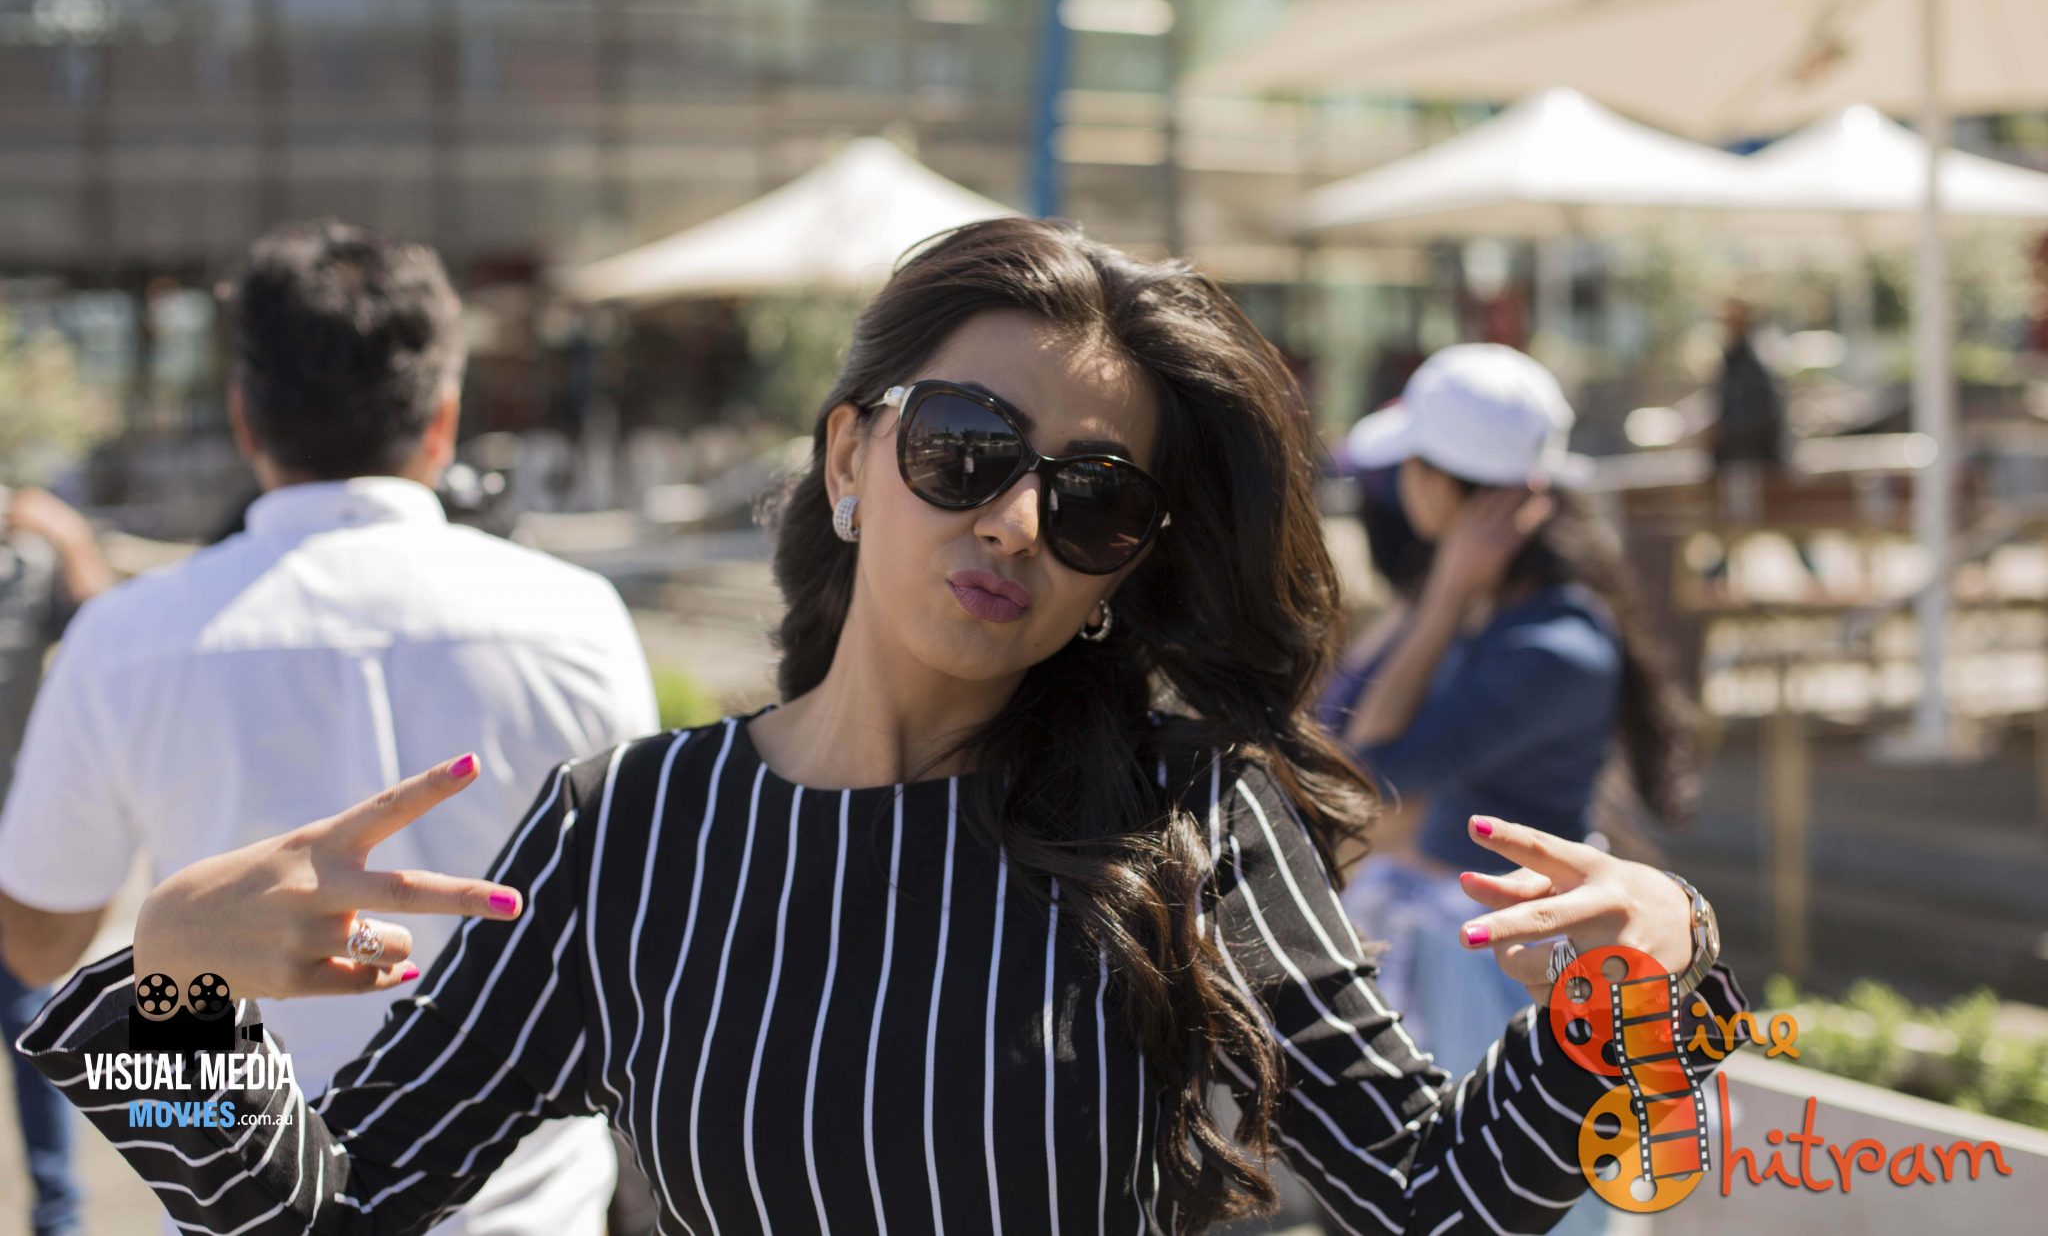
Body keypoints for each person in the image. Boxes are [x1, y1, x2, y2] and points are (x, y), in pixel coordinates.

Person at [18, 219, 1748, 1235]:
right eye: (964, 450)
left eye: (1093, 500)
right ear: (852, 457)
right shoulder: (636, 832)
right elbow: (330, 1207)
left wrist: (1657, 976)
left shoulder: (1186, 819)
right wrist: (173, 992)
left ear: (1121, 573)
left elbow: (1436, 1198)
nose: (1014, 522)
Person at [0, 220, 656, 1236]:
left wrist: (180, 952)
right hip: (528, 1206)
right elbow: (631, 933)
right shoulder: (578, 620)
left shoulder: (125, 639)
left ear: (244, 417)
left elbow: (37, 943)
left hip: (237, 1200)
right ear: (443, 419)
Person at [1318, 346, 1702, 1117]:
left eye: (1412, 465)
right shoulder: (1500, 609)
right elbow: (1337, 721)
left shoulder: (1547, 647)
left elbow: (1363, 768)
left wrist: (1444, 594)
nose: (1399, 484)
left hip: (1511, 971)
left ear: (1442, 485)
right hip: (1474, 945)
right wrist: (1442, 591)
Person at [0, 485, 113, 1236]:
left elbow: (107, 636)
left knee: (29, 1020)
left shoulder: (29, 563)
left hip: (11, 844)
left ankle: (58, 1214)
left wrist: (72, 541)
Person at [1707, 296, 1785, 529]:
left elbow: (1755, 413)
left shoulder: (1753, 361)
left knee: (1746, 518)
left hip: (1750, 457)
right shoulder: (1733, 360)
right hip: (1742, 455)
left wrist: (1721, 434)